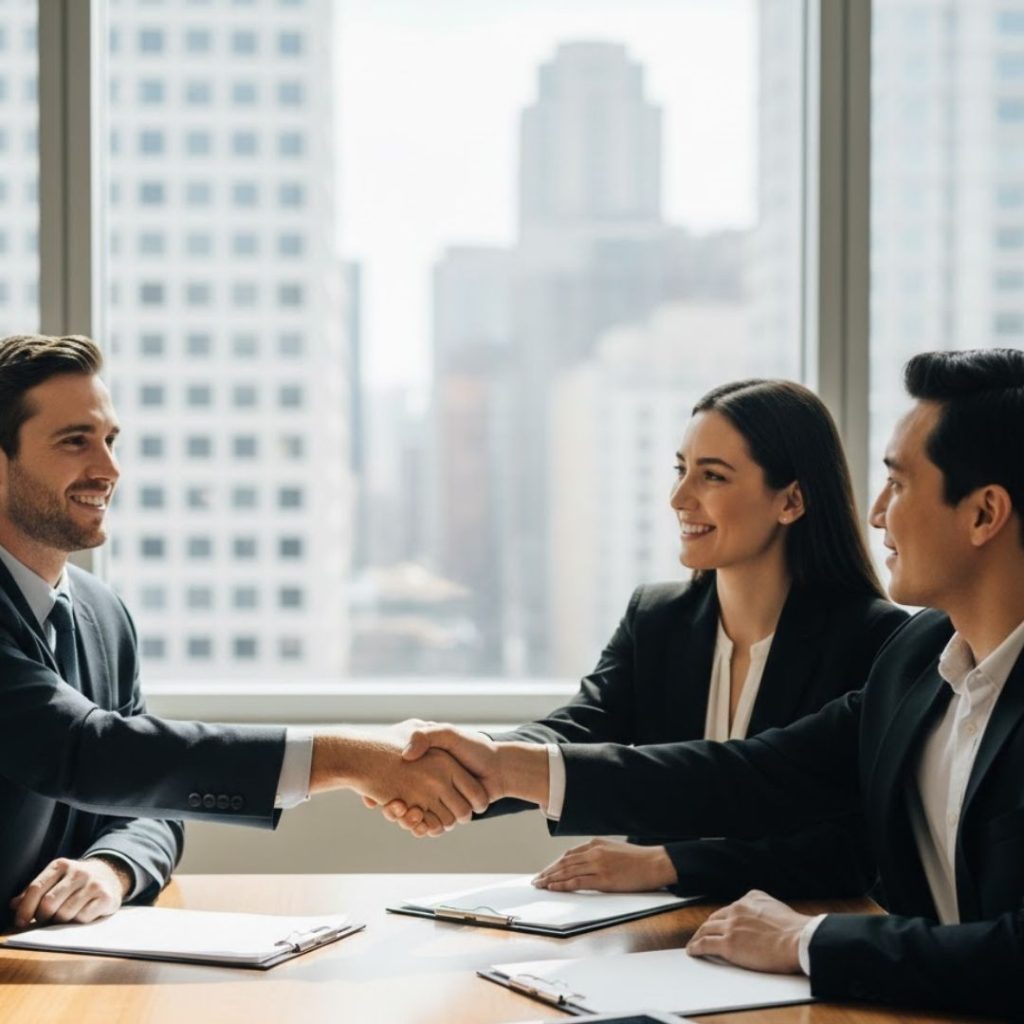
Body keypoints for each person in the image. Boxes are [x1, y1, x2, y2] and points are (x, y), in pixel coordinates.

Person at [399, 349, 1024, 1018]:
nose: (877, 514)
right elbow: (749, 774)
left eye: (898, 486)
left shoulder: (876, 639)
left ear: (984, 514)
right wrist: (502, 767)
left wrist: (808, 939)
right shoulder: (918, 662)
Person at [0, 333, 487, 931]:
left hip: (58, 969)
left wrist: (111, 868)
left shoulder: (105, 615)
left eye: (110, 440)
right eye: (75, 442)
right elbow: (87, 752)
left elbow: (152, 805)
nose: (108, 468)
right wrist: (351, 758)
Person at [381, 379, 906, 899]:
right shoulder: (657, 618)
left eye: (713, 477)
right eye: (681, 470)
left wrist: (666, 863)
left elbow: (844, 855)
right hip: (654, 930)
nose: (679, 497)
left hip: (790, 936)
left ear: (790, 501)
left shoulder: (875, 641)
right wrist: (467, 769)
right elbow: (576, 728)